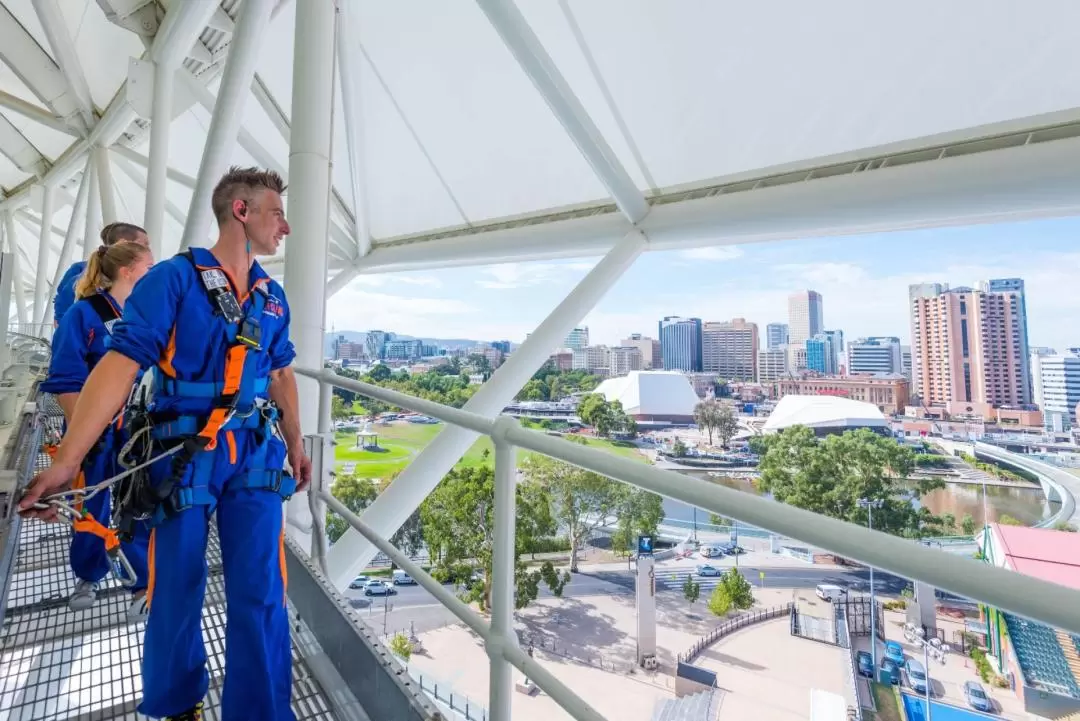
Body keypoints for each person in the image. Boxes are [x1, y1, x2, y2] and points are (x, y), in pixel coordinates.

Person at [21, 166, 312, 721]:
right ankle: (179, 705)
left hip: (253, 453)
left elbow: (280, 374)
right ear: (242, 213)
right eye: (277, 213)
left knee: (262, 592)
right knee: (176, 586)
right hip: (180, 456)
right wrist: (67, 461)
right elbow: (121, 363)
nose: (286, 227)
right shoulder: (173, 280)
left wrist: (296, 444)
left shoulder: (271, 298)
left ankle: (261, 713)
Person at [40, 240, 154, 620]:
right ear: (128, 272)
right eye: (148, 266)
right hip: (96, 434)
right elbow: (66, 378)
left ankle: (140, 581)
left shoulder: (143, 315)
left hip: (135, 430)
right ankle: (89, 572)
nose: (155, 274)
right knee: (91, 501)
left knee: (136, 501)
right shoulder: (82, 315)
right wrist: (85, 432)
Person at [53, 222, 149, 327]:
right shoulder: (82, 273)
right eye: (144, 243)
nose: (148, 248)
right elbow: (63, 309)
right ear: (123, 243)